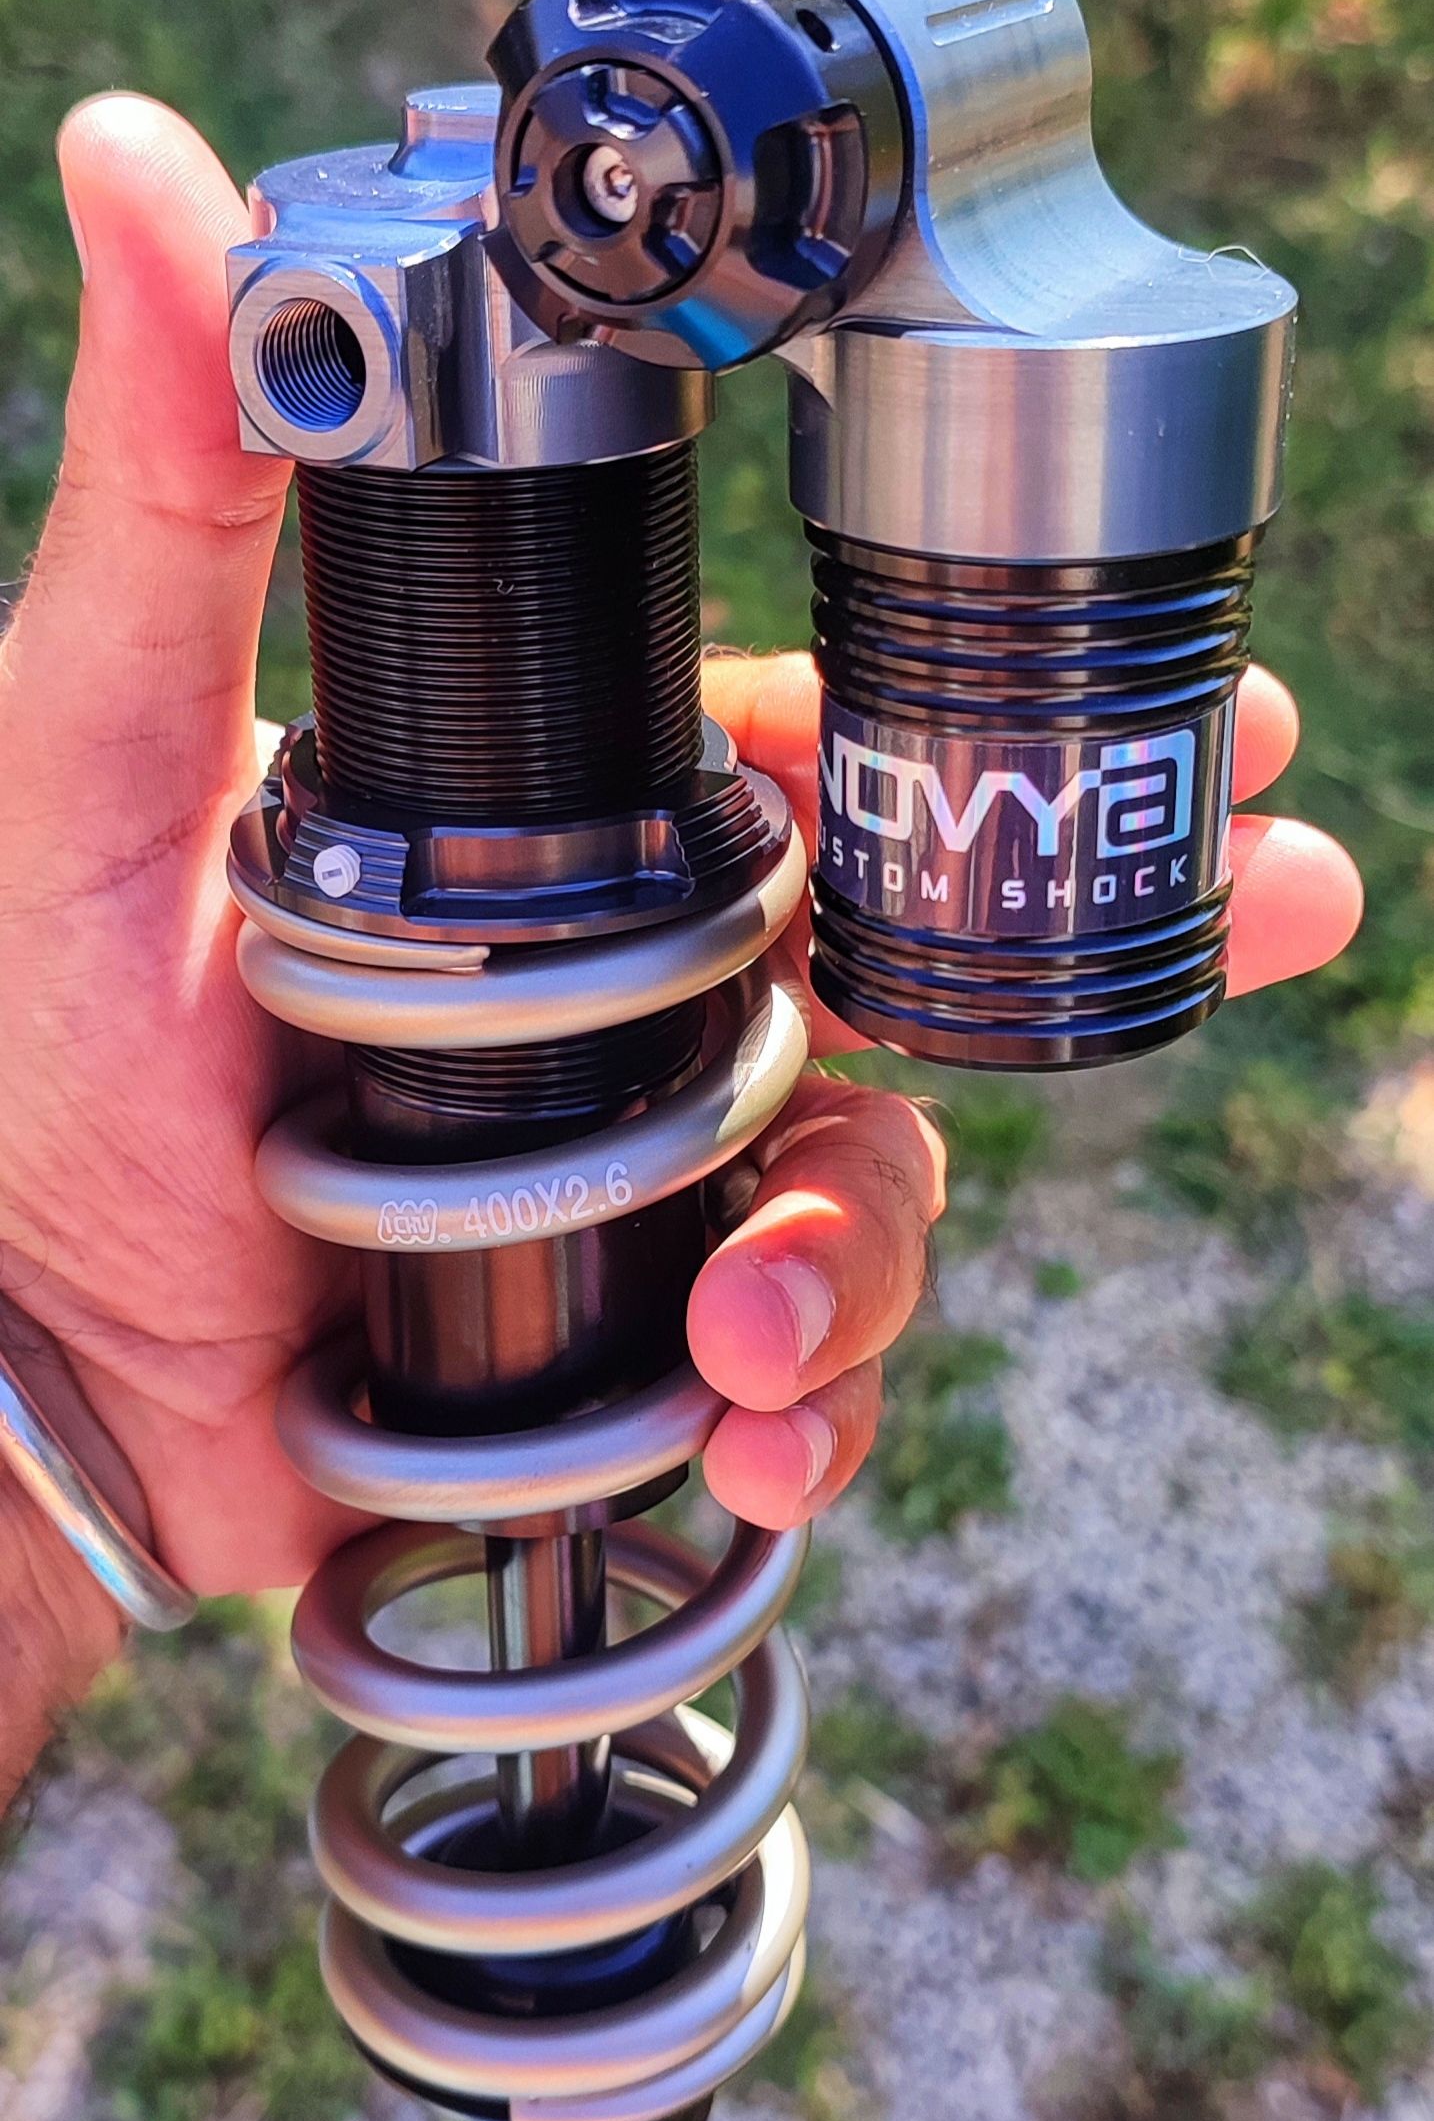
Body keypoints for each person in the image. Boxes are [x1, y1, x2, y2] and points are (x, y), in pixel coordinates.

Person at [0, 96, 1365, 1801]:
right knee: (748, 1341)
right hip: (505, 959)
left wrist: (62, 1405)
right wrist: (54, 1360)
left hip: (525, 943)